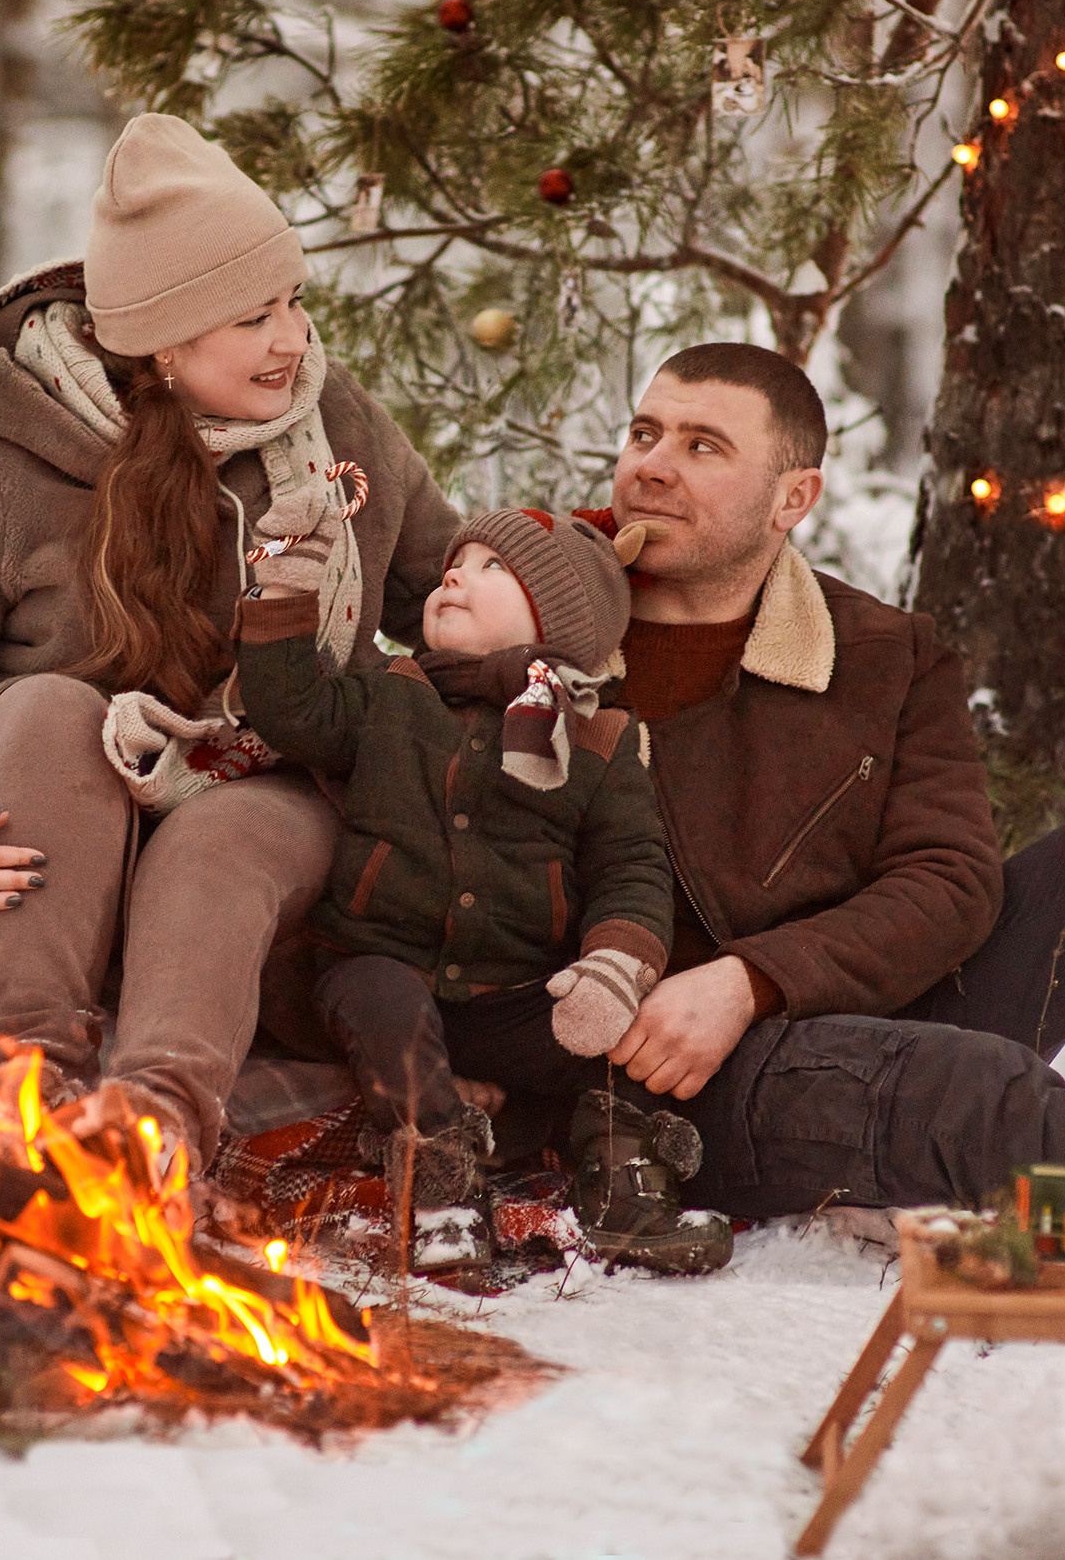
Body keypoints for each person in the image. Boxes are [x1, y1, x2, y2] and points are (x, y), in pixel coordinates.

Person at [585, 342, 1065, 1216]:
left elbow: (949, 882)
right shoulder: (547, 630)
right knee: (980, 1088)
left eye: (701, 446)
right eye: (645, 433)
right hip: (676, 1083)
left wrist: (755, 978)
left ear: (793, 497)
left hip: (843, 1007)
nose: (652, 465)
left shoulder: (882, 654)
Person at [0, 114, 459, 1169]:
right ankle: (23, 1091)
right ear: (163, 340)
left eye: (294, 301)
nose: (294, 339)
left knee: (222, 834)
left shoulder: (334, 424)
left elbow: (452, 593)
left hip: (277, 782)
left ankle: (151, 1131)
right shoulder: (4, 448)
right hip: (64, 816)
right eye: (254, 315)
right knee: (41, 707)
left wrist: (554, 596)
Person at [235, 506, 732, 1275]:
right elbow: (295, 712)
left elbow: (632, 863)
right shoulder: (394, 693)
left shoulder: (599, 737)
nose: (455, 575)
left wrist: (612, 964)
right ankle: (443, 1185)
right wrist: (287, 591)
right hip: (384, 961)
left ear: (562, 620)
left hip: (513, 989)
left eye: (492, 567)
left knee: (613, 1042)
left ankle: (621, 1185)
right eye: (451, 567)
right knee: (382, 1005)